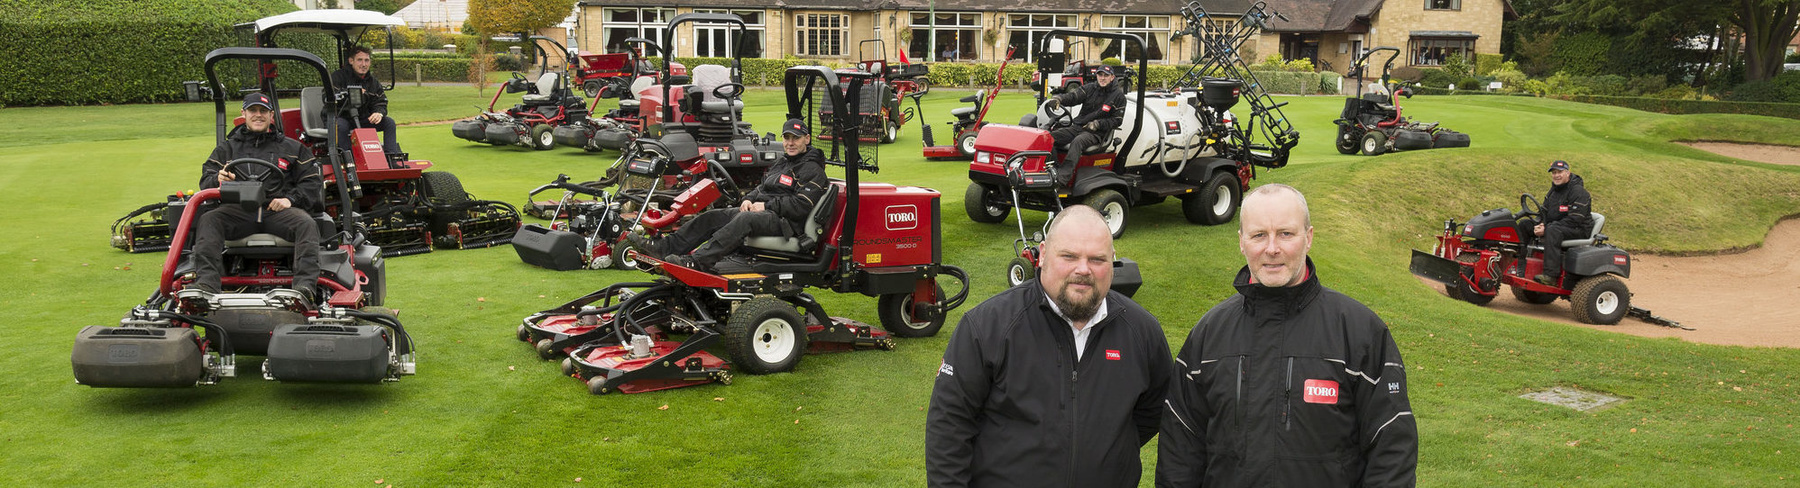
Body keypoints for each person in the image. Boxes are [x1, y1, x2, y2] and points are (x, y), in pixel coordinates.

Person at [1157, 184, 1417, 487]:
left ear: (1308, 237)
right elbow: (1179, 456)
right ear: (1241, 242)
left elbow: (1392, 450)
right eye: (1259, 235)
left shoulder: (1360, 332)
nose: (1272, 248)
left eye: (1285, 234)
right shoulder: (1208, 335)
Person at [926, 205, 1172, 487]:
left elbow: (1154, 411)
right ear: (1043, 254)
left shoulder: (1142, 331)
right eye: (1069, 256)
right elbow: (949, 428)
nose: (1083, 269)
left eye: (1097, 259)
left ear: (1112, 260)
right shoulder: (987, 327)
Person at [629, 118, 828, 271]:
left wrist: (766, 206)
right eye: (787, 138)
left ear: (807, 139)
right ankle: (664, 248)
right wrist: (749, 198)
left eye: (796, 138)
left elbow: (801, 206)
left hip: (786, 223)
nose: (790, 143)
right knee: (712, 216)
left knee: (745, 219)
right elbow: (762, 188)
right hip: (765, 214)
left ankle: (697, 261)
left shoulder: (812, 169)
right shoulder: (783, 162)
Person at [192, 93, 324, 302]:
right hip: (238, 211)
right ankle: (207, 284)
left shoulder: (292, 148)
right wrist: (218, 179)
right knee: (209, 219)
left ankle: (304, 288)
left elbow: (311, 182)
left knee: (306, 224)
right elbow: (205, 181)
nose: (258, 115)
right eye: (253, 110)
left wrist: (290, 200)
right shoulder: (227, 149)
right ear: (243, 114)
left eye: (263, 111)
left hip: (278, 211)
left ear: (272, 116)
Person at [1043, 64, 1126, 177]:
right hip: (1078, 127)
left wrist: (1097, 124)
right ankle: (1053, 169)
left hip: (1097, 133)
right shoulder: (1090, 88)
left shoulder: (1118, 96)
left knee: (1078, 141)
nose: (1102, 78)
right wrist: (1059, 99)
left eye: (1106, 75)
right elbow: (1073, 97)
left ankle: (1063, 177)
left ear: (1112, 77)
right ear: (1096, 76)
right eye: (1100, 75)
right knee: (1048, 138)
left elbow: (1117, 120)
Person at [330, 45, 401, 155]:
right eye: (360, 60)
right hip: (342, 117)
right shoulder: (338, 77)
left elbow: (380, 101)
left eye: (366, 60)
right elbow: (330, 98)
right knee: (341, 126)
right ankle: (348, 159)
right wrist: (351, 93)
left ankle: (391, 158)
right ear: (351, 61)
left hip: (362, 118)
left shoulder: (373, 82)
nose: (363, 64)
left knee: (389, 122)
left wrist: (378, 113)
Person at [1532, 159, 1593, 287]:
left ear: (1567, 173)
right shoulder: (1553, 191)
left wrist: (1547, 228)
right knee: (1526, 224)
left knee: (1553, 230)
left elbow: (1575, 219)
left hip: (1579, 229)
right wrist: (1541, 223)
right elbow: (1544, 211)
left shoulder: (1578, 192)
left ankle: (1550, 276)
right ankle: (1520, 262)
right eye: (1554, 173)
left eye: (1559, 172)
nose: (1556, 175)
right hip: (1558, 226)